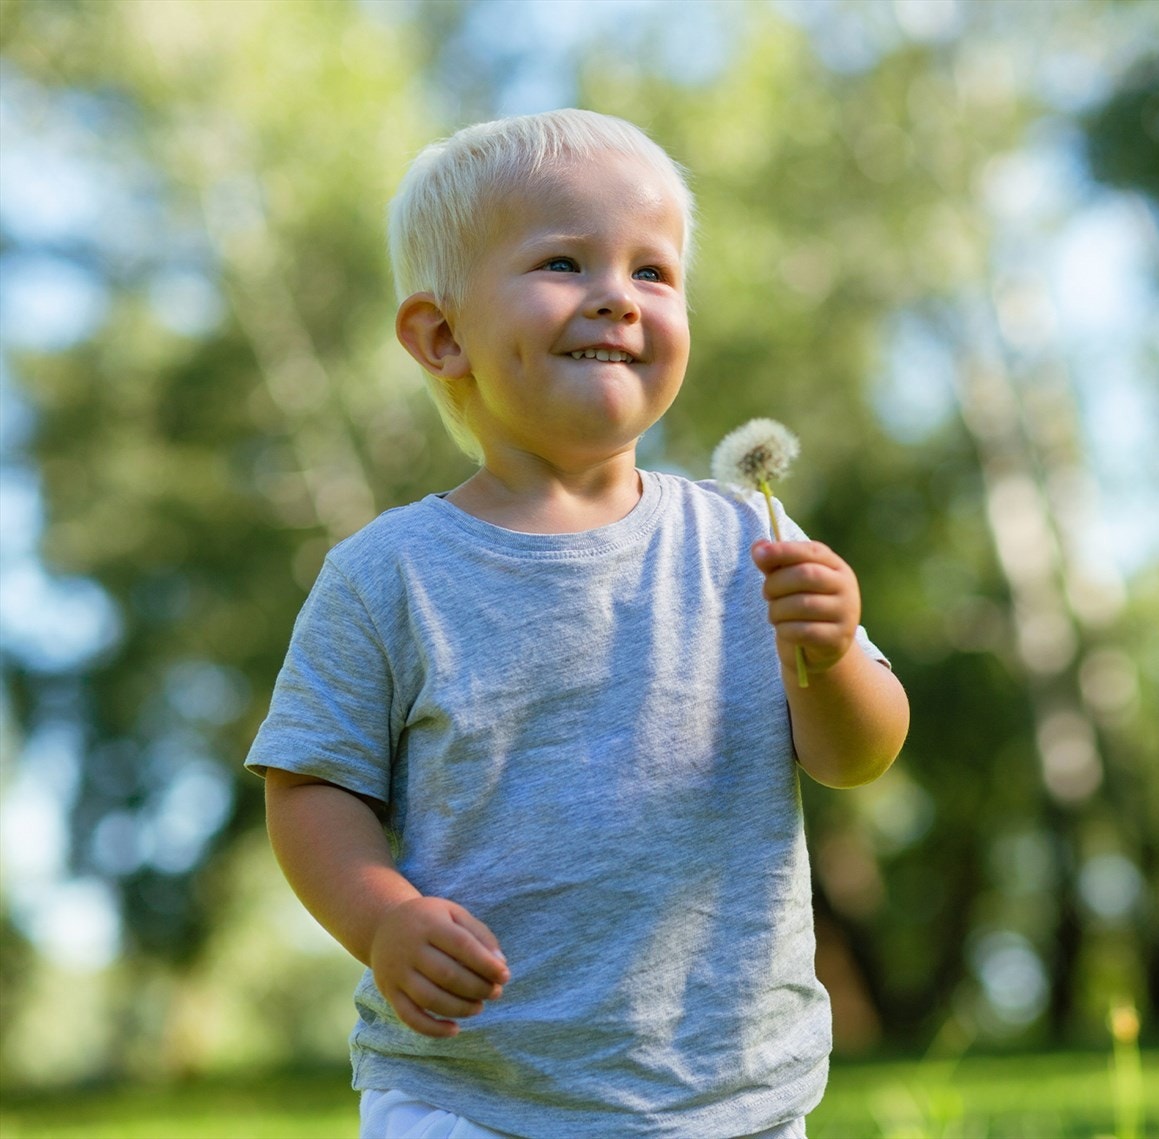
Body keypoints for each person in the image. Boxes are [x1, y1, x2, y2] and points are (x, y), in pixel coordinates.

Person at [245, 108, 910, 1139]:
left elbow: (854, 758)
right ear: (441, 333)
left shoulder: (748, 541)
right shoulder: (388, 574)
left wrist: (829, 655)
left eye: (654, 272)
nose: (616, 294)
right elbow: (311, 787)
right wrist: (382, 918)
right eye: (563, 260)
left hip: (727, 1091)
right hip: (467, 1091)